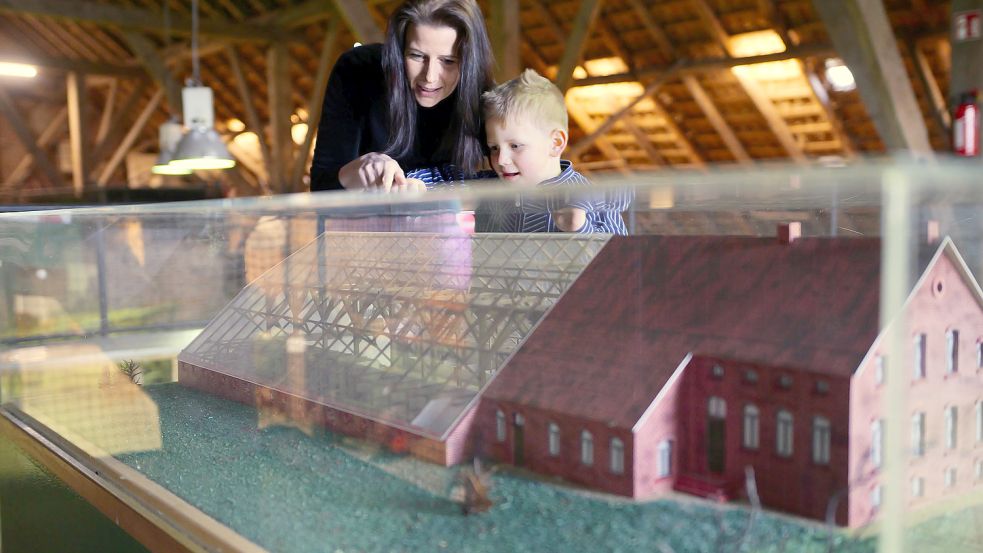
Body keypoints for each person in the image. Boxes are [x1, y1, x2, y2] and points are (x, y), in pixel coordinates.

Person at [408, 69, 631, 234]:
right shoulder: (491, 186)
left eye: (515, 146)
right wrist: (411, 183)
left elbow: (617, 269)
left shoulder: (590, 196)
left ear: (556, 143)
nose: (501, 160)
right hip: (490, 297)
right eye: (494, 148)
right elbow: (444, 177)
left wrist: (580, 230)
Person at [309, 0, 494, 193]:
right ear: (399, 50)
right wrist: (356, 171)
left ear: (470, 63)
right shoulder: (357, 72)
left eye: (448, 61)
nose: (429, 77)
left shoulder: (483, 98)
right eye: (416, 56)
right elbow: (321, 187)